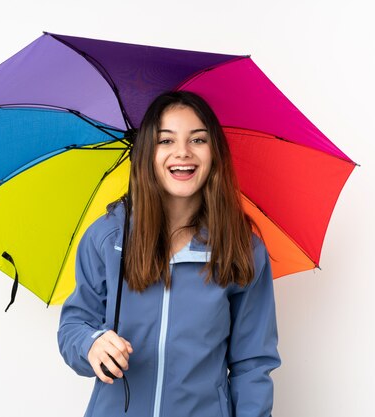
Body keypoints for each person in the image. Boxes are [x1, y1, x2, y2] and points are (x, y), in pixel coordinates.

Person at [58, 91, 280, 417]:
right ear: (148, 152)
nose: (182, 153)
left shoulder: (242, 248)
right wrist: (91, 343)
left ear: (214, 153)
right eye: (166, 140)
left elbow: (253, 364)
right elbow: (74, 325)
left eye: (198, 140)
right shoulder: (108, 238)